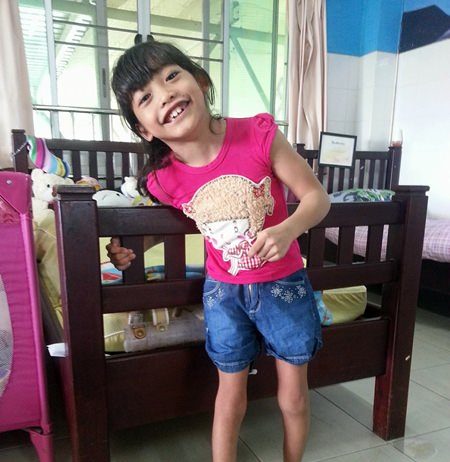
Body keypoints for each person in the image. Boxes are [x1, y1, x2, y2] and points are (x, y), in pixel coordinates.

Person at [106, 38, 330, 462]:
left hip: (283, 286)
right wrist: (131, 248)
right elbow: (180, 223)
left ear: (201, 81)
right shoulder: (162, 180)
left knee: (293, 396)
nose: (165, 94)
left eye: (172, 76)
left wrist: (288, 230)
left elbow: (317, 198)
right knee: (229, 396)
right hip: (223, 295)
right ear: (144, 129)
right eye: (145, 97)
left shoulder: (258, 135)